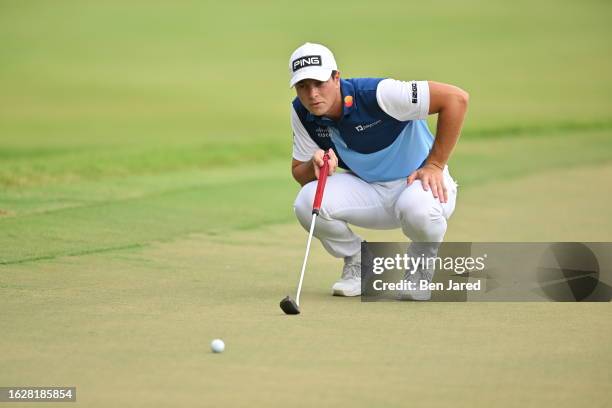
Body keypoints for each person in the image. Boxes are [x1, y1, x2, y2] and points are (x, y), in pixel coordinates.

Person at [289, 42, 469, 300]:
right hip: (367, 188)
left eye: (319, 83)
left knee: (418, 210)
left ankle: (420, 268)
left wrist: (435, 164)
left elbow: (456, 98)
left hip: (418, 183)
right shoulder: (301, 112)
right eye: (303, 86)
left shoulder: (379, 94)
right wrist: (314, 165)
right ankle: (360, 261)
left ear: (336, 77)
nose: (312, 94)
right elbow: (300, 173)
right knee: (306, 203)